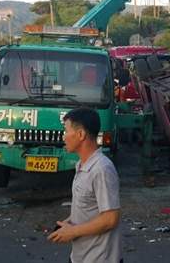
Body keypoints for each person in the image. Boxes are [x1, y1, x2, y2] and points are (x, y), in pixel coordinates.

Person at [47, 107, 122, 263]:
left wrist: (73, 232)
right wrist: (70, 222)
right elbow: (90, 207)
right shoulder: (81, 165)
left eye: (66, 131)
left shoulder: (102, 169)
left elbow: (111, 219)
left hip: (99, 258)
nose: (63, 136)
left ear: (81, 134)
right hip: (80, 256)